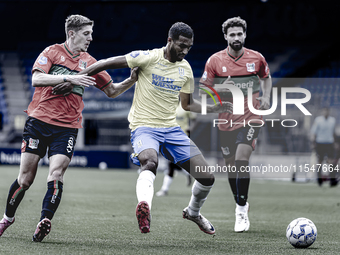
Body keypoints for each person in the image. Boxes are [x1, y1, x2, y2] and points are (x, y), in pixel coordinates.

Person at [78, 22, 232, 235]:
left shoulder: (185, 69)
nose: (185, 51)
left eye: (189, 47)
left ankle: (193, 212)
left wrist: (214, 108)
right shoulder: (147, 58)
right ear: (169, 41)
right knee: (150, 161)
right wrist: (77, 79)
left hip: (171, 129)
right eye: (181, 45)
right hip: (144, 127)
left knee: (207, 177)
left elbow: (187, 105)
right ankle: (145, 207)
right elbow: (104, 63)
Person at [0, 14, 139, 242]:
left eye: (91, 34)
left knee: (57, 173)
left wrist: (132, 80)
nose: (90, 38)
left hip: (67, 128)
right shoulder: (52, 52)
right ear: (71, 33)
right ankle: (7, 218)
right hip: (38, 121)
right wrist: (71, 79)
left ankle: (44, 220)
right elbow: (36, 79)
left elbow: (112, 91)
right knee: (25, 180)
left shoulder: (91, 63)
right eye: (86, 34)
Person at [199, 17, 272, 233]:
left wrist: (266, 96)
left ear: (245, 35)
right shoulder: (214, 61)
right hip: (226, 121)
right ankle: (241, 202)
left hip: (251, 117)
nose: (236, 37)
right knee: (231, 167)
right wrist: (221, 90)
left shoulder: (256, 58)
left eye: (240, 34)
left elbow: (266, 77)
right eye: (232, 34)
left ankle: (240, 210)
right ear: (226, 37)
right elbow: (203, 90)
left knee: (241, 160)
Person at [156, 103, 194, 197]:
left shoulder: (185, 107)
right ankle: (188, 172)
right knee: (174, 163)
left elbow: (194, 119)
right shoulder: (168, 105)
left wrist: (191, 128)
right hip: (170, 137)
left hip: (182, 137)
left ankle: (164, 189)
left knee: (171, 163)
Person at [310, 107, 337, 186]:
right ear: (322, 112)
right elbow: (313, 132)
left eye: (327, 111)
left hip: (329, 143)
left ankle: (332, 179)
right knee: (319, 162)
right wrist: (313, 142)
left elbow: (333, 132)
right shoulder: (318, 120)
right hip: (320, 143)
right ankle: (319, 179)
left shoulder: (332, 120)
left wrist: (335, 143)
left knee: (331, 162)